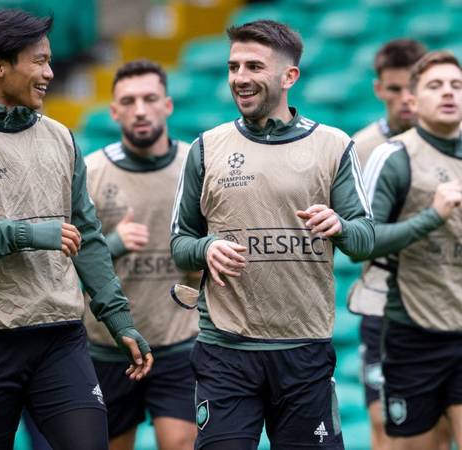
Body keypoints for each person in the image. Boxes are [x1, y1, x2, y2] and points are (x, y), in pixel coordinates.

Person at [0, 9, 153, 450]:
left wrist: (119, 319)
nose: (49, 72)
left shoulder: (61, 137)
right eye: (38, 61)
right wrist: (26, 235)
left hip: (61, 334)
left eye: (50, 60)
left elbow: (89, 234)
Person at [170, 20, 374, 450]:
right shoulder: (206, 147)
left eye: (254, 67)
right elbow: (180, 243)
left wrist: (340, 227)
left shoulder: (334, 145)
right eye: (233, 67)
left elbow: (365, 239)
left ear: (289, 76)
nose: (240, 78)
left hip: (304, 352)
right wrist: (206, 248)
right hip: (225, 351)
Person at [84, 59, 198, 450]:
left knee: (181, 443)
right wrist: (112, 243)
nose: (140, 109)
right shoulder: (91, 172)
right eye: (128, 101)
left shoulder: (194, 167)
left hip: (179, 344)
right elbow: (64, 258)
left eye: (149, 98)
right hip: (109, 348)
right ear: (114, 111)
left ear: (167, 105)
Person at [362, 50, 462, 450]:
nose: (449, 93)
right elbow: (361, 243)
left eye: (456, 85)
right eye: (436, 86)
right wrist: (432, 216)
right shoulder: (388, 154)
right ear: (413, 101)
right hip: (411, 327)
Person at [347, 38, 433, 450]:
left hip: (443, 303)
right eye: (395, 89)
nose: (406, 99)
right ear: (379, 89)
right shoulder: (358, 148)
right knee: (384, 425)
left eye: (413, 88)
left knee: (440, 431)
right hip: (383, 304)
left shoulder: (451, 146)